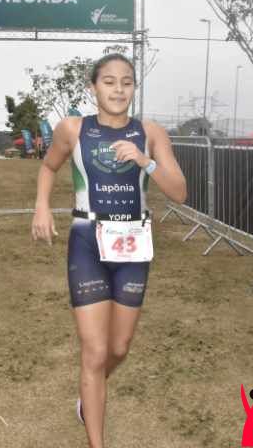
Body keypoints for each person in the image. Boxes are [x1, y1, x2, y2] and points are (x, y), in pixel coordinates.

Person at [31, 54, 187, 448]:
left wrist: (145, 161)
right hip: (87, 240)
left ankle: (89, 392)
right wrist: (41, 207)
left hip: (134, 246)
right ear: (93, 87)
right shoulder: (73, 129)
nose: (119, 90)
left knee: (118, 348)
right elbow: (49, 167)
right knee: (95, 350)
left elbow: (180, 193)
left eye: (127, 82)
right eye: (109, 82)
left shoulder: (151, 132)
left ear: (134, 87)